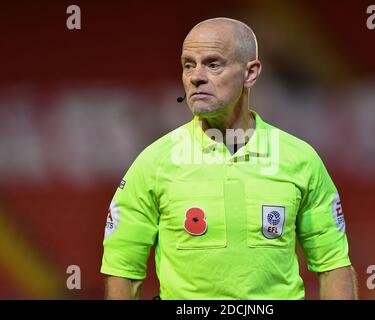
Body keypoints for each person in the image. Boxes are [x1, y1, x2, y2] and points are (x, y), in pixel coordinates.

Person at [101, 17, 358, 300]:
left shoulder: (301, 160)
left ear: (250, 73)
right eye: (188, 65)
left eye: (213, 64)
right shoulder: (153, 163)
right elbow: (123, 270)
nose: (196, 76)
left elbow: (333, 265)